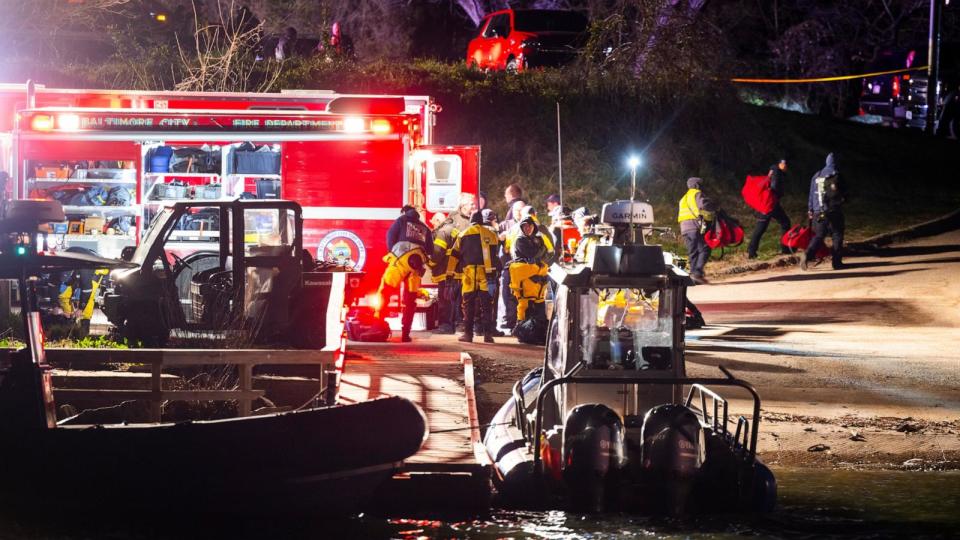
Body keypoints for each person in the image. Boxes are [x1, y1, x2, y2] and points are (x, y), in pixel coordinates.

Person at [447, 211, 501, 343]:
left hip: (469, 275)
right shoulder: (492, 234)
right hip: (487, 275)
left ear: (471, 221)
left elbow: (454, 256)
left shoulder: (463, 234)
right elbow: (495, 256)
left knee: (468, 305)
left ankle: (468, 334)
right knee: (487, 305)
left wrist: (449, 274)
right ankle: (488, 335)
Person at [431, 193, 477, 333]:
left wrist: (431, 263)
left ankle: (452, 325)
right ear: (463, 206)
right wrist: (433, 262)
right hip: (450, 269)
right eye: (471, 204)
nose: (474, 207)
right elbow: (441, 245)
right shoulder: (457, 222)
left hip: (457, 270)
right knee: (449, 299)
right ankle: (450, 325)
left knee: (454, 299)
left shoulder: (464, 221)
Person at [800, 153, 846, 271]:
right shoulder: (836, 175)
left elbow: (811, 194)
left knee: (819, 235)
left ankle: (807, 254)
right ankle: (837, 262)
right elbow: (843, 193)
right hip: (833, 211)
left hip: (817, 211)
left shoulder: (817, 175)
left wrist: (810, 209)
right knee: (837, 234)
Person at [509, 217, 550, 329]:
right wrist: (541, 250)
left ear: (534, 227)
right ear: (521, 228)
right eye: (525, 226)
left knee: (539, 304)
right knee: (524, 304)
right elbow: (532, 254)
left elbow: (546, 255)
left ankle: (535, 329)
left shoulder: (537, 239)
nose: (527, 228)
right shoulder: (520, 240)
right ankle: (521, 328)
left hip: (538, 278)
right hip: (524, 277)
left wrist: (540, 252)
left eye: (530, 226)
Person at [746, 159, 792, 259]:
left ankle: (751, 251)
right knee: (782, 223)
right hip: (769, 204)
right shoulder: (777, 172)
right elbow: (774, 187)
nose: (785, 167)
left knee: (780, 223)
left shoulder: (774, 171)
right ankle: (785, 249)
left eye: (786, 165)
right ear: (780, 164)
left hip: (768, 203)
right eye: (784, 164)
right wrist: (779, 193)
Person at [677, 177, 717, 285]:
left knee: (692, 252)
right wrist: (712, 206)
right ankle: (697, 273)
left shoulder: (683, 198)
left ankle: (693, 274)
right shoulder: (697, 193)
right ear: (697, 185)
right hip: (694, 227)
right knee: (704, 248)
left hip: (684, 229)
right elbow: (703, 206)